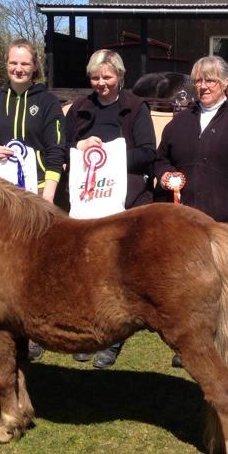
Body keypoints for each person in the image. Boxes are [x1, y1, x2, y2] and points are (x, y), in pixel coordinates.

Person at [154, 55, 228, 367]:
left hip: (223, 223)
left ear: (225, 83)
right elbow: (161, 159)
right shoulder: (180, 122)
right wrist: (165, 175)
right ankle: (189, 344)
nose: (203, 86)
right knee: (187, 285)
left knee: (221, 286)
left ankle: (221, 344)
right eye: (199, 81)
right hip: (184, 222)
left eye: (210, 80)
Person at [65, 49, 156, 368]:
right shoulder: (79, 108)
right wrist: (79, 146)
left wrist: (110, 155)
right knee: (84, 273)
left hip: (123, 203)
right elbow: (63, 147)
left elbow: (148, 153)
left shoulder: (137, 107)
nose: (101, 83)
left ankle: (113, 337)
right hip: (85, 203)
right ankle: (86, 333)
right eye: (95, 77)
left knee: (116, 275)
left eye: (107, 76)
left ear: (120, 76)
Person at [0, 39, 66, 204]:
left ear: (35, 66)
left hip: (39, 189)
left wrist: (48, 195)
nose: (18, 69)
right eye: (13, 63)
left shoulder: (48, 102)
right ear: (6, 64)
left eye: (25, 64)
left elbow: (56, 150)